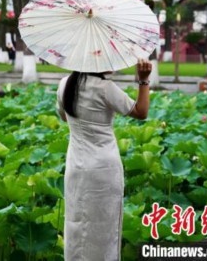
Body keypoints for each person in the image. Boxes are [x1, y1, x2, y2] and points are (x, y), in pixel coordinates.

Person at [56, 59, 152, 261]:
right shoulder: (105, 88)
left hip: (76, 166)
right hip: (103, 169)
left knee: (76, 223)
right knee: (103, 228)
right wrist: (143, 81)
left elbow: (65, 117)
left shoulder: (65, 84)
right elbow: (140, 112)